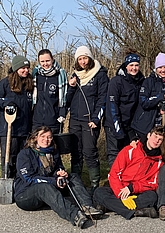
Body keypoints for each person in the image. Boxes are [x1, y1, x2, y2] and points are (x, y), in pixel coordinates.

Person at [14, 126, 103, 229]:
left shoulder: (53, 152)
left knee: (72, 176)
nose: (46, 140)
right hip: (25, 195)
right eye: (42, 136)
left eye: (49, 137)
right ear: (35, 138)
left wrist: (60, 174)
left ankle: (88, 207)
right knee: (43, 187)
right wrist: (54, 181)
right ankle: (74, 215)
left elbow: (58, 168)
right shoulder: (25, 154)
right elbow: (29, 179)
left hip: (48, 190)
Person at [93, 126, 165, 220]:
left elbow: (153, 183)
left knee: (152, 197)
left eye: (160, 139)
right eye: (155, 136)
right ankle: (135, 212)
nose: (156, 141)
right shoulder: (130, 150)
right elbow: (114, 174)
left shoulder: (159, 161)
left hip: (138, 192)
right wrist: (121, 193)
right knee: (99, 192)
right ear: (148, 135)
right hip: (121, 188)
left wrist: (132, 188)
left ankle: (110, 207)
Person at [66, 45, 109, 191]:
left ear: (90, 58)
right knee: (76, 151)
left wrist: (96, 118)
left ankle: (94, 184)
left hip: (90, 120)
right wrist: (70, 87)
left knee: (89, 151)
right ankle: (76, 182)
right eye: (80, 59)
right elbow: (67, 99)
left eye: (85, 58)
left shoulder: (100, 74)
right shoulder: (75, 75)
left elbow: (103, 98)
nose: (83, 62)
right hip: (75, 120)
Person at [0, 55, 33, 178]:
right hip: (9, 129)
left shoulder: (30, 83)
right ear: (16, 68)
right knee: (9, 158)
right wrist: (5, 103)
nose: (26, 70)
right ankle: (7, 182)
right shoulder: (5, 83)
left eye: (27, 68)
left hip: (25, 130)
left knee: (23, 160)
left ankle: (21, 185)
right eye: (23, 68)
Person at [104, 53, 145, 167]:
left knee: (128, 153)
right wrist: (118, 129)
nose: (134, 68)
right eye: (131, 65)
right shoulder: (116, 81)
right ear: (126, 66)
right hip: (114, 123)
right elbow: (112, 105)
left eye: (136, 65)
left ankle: (126, 179)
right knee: (114, 154)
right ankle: (114, 181)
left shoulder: (141, 81)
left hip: (130, 125)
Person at [131, 52, 165, 140]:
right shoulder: (148, 82)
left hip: (161, 128)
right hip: (144, 127)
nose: (163, 70)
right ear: (156, 68)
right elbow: (143, 102)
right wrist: (161, 97)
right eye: (160, 67)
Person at [32, 49, 68, 133]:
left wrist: (62, 114)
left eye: (47, 61)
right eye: (42, 61)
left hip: (53, 121)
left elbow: (65, 97)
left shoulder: (60, 75)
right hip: (37, 121)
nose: (45, 64)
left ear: (52, 59)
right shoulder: (36, 74)